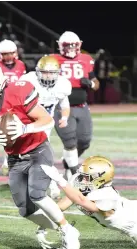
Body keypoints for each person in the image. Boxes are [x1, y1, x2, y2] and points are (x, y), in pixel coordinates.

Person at [0, 60, 80, 249]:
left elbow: (47, 120)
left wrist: (25, 128)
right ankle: (58, 228)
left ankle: (67, 229)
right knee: (25, 209)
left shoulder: (18, 91)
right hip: (15, 158)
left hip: (38, 150)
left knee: (37, 194)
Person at [19, 55, 72, 199]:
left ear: (57, 73)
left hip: (44, 125)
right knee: (25, 155)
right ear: (37, 72)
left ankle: (53, 184)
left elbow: (65, 105)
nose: (48, 76)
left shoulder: (62, 85)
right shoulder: (28, 81)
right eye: (44, 72)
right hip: (26, 122)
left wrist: (64, 118)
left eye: (51, 73)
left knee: (42, 156)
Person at [51, 31, 100, 180]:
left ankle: (68, 162)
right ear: (60, 46)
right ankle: (74, 173)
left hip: (82, 106)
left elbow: (96, 83)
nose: (71, 48)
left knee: (84, 141)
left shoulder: (86, 59)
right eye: (68, 45)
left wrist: (91, 83)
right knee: (70, 141)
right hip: (62, 106)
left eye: (73, 45)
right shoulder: (53, 60)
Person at [0, 39, 27, 176]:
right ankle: (8, 158)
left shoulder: (21, 65)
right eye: (5, 54)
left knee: (18, 131)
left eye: (10, 53)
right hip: (1, 102)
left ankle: (14, 157)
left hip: (17, 102)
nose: (8, 57)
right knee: (6, 132)